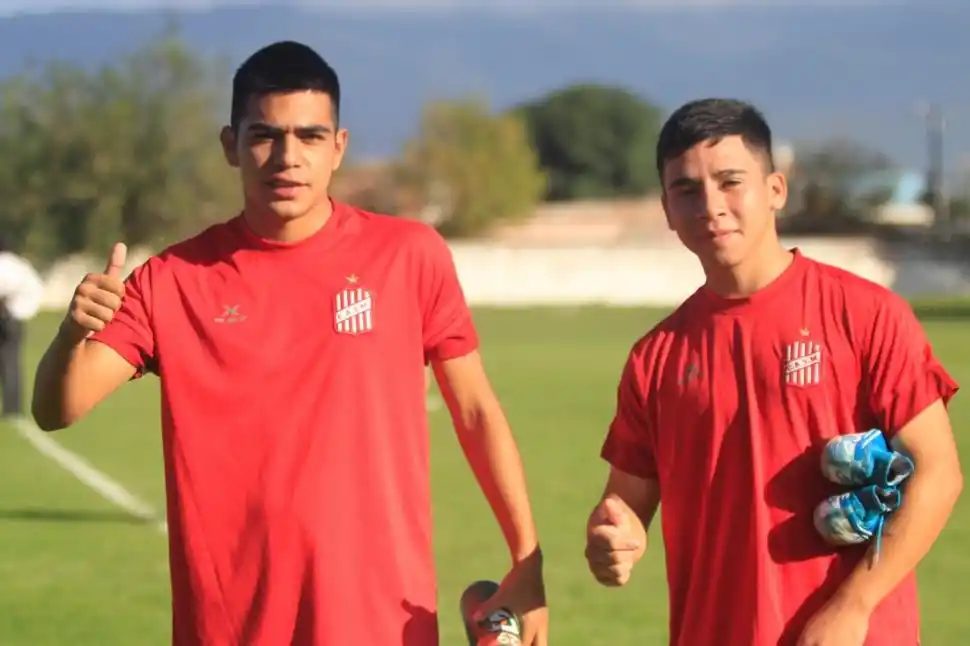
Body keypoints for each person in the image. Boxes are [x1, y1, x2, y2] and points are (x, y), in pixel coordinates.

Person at [32, 41, 547, 646]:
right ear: (231, 146)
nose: (287, 157)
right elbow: (57, 409)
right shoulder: (172, 280)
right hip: (230, 627)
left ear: (338, 147)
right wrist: (71, 334)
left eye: (309, 136)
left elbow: (475, 410)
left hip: (380, 621)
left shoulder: (409, 256)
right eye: (264, 136)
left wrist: (527, 558)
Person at [584, 98, 963, 646]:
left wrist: (853, 606)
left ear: (776, 190)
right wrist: (613, 537)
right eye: (686, 190)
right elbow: (625, 503)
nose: (710, 205)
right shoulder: (656, 356)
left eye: (730, 182)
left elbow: (938, 474)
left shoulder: (866, 314)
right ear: (667, 210)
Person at [0, 235, 44, 419]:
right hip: (16, 319)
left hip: (6, 318)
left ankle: (11, 409)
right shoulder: (20, 265)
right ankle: (13, 407)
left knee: (7, 362)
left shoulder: (4, 265)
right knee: (12, 362)